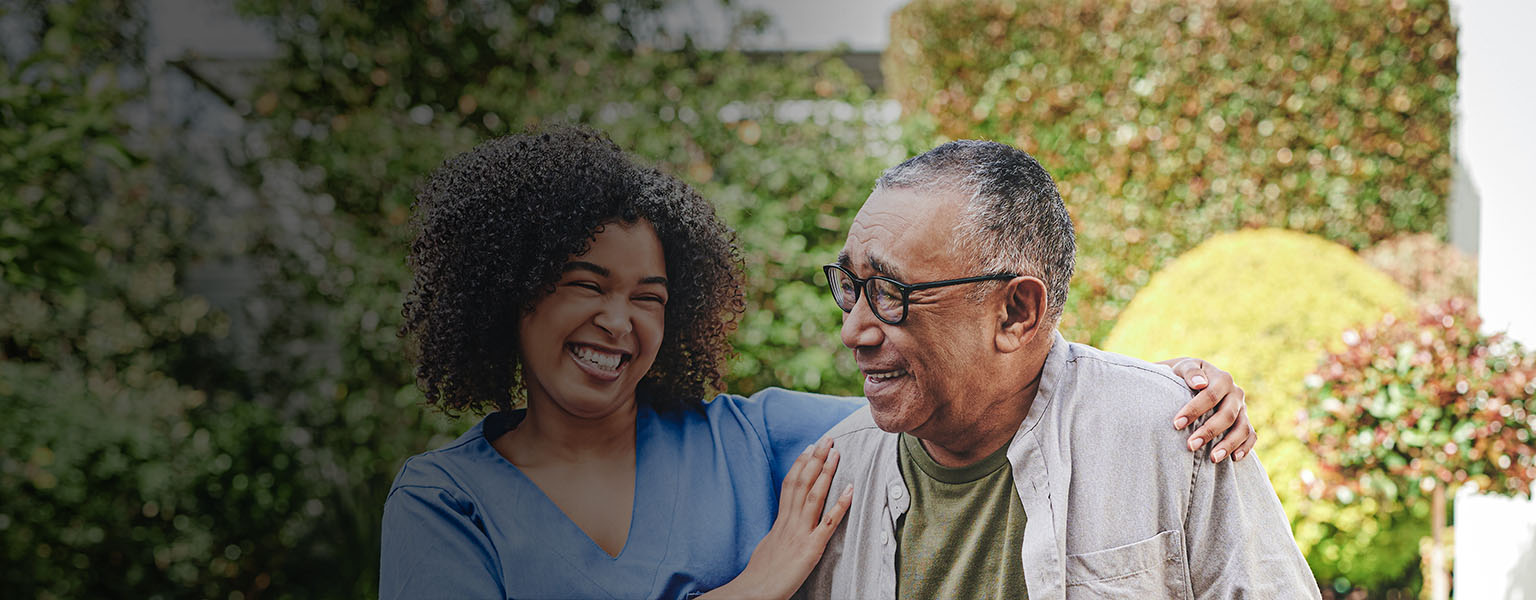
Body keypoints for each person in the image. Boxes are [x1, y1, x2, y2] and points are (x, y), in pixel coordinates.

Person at [380, 126, 1258, 599]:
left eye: (649, 295)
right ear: (511, 292)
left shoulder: (763, 439)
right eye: (584, 285)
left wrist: (1179, 393)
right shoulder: (447, 502)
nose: (618, 321)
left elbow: (984, 388)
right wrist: (755, 588)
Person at [799, 140, 1319, 599]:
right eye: (850, 284)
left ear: (1016, 312)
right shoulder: (831, 476)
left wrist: (1154, 395)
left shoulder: (1179, 432)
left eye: (892, 292)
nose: (853, 332)